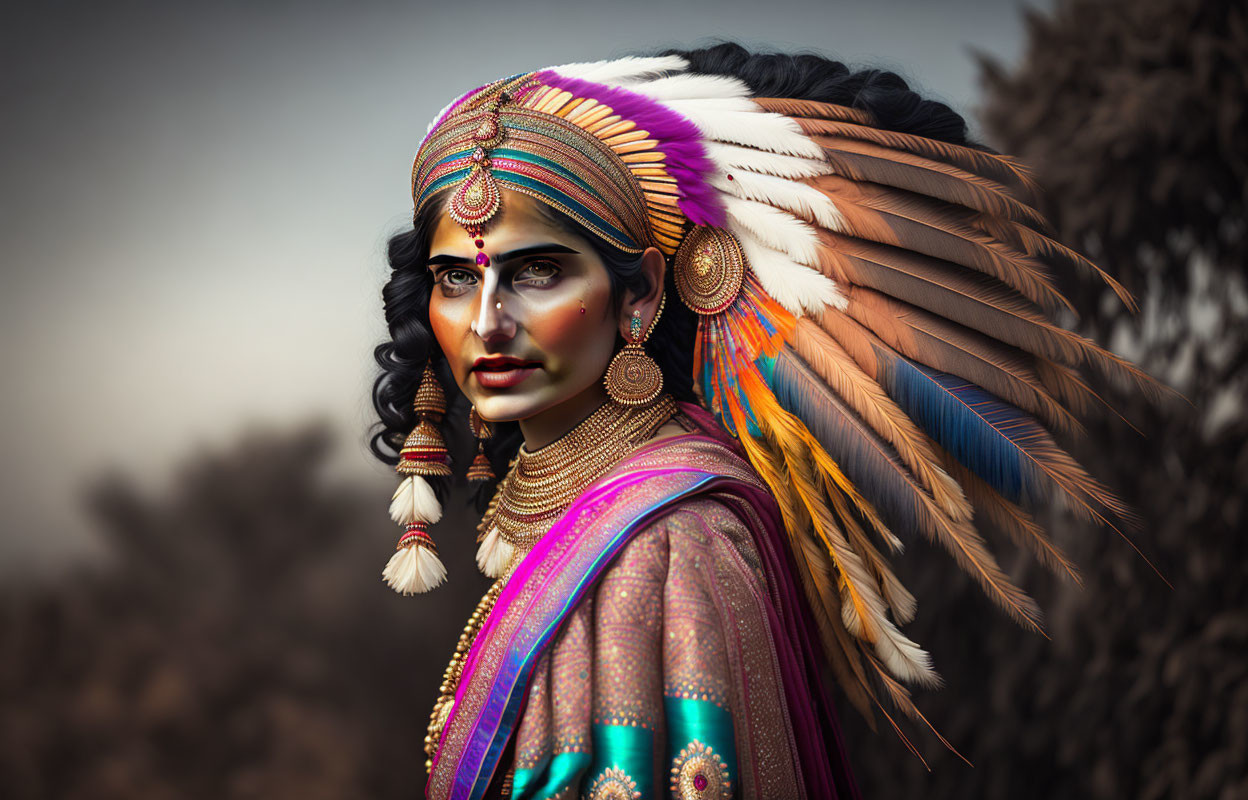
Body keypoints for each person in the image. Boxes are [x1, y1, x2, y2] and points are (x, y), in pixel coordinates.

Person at [370, 43, 1161, 800]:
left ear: (641, 293)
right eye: (452, 280)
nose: (488, 322)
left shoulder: (662, 545)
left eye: (536, 271)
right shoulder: (618, 512)